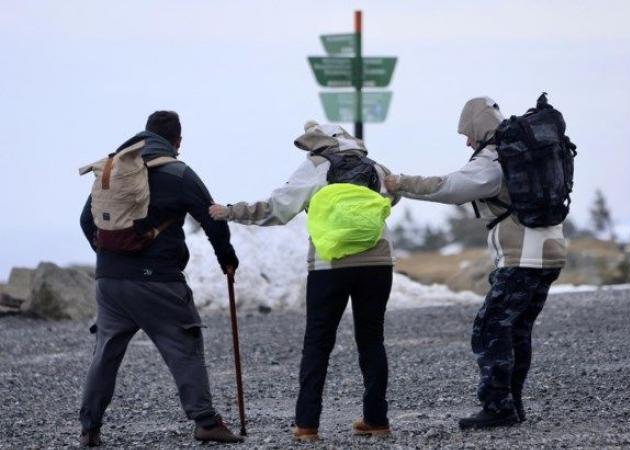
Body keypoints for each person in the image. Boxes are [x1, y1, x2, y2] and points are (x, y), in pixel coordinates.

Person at [385, 97, 567, 430]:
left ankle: (498, 407)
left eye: (468, 134)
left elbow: (450, 188)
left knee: (490, 330)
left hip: (522, 257)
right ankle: (512, 404)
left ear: (479, 128)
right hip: (551, 250)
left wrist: (401, 183)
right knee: (516, 330)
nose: (468, 141)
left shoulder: (495, 158)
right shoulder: (526, 151)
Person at [209, 121, 398, 442]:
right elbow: (393, 198)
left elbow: (276, 210)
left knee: (318, 343)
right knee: (372, 339)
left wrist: (230, 211)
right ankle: (377, 420)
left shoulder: (315, 166)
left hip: (329, 264)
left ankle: (308, 425)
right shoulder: (376, 167)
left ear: (318, 143)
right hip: (377, 261)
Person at [79, 111, 242, 446]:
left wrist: (110, 258)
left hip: (109, 281)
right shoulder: (178, 172)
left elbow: (87, 220)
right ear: (177, 141)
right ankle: (206, 422)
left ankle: (90, 428)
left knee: (106, 352)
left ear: (144, 135)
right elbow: (212, 218)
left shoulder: (113, 170)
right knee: (184, 345)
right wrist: (227, 258)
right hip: (159, 282)